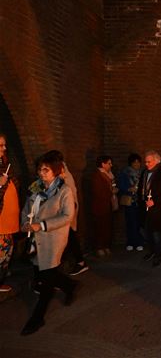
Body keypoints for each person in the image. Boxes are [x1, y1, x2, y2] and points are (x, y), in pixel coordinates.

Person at [20, 154, 77, 335]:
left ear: (56, 171)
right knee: (45, 273)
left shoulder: (64, 190)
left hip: (53, 239)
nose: (41, 173)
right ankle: (69, 286)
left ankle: (37, 317)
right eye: (40, 169)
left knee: (47, 278)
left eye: (46, 170)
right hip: (36, 238)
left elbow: (67, 215)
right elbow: (27, 208)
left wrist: (43, 225)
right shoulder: (35, 187)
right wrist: (24, 223)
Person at [44, 150, 89, 276]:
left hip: (64, 212)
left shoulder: (62, 174)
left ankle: (75, 264)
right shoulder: (61, 172)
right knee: (69, 237)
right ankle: (75, 263)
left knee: (69, 238)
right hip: (63, 212)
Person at [0, 134, 19, 292]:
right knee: (3, 252)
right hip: (1, 221)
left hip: (8, 220)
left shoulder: (4, 164)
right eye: (1, 145)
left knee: (7, 251)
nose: (4, 148)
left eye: (4, 145)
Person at [91, 155, 117, 257]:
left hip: (108, 204)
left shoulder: (109, 174)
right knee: (100, 226)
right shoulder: (97, 175)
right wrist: (111, 192)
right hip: (100, 206)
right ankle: (99, 247)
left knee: (107, 226)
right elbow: (98, 192)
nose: (111, 165)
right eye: (109, 163)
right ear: (103, 164)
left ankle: (106, 245)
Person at [118, 153, 144, 252]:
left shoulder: (142, 172)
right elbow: (121, 185)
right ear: (131, 163)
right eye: (135, 162)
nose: (137, 164)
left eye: (138, 162)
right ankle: (130, 242)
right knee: (130, 222)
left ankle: (139, 242)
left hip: (139, 201)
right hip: (130, 200)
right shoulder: (125, 173)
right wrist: (129, 189)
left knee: (139, 222)